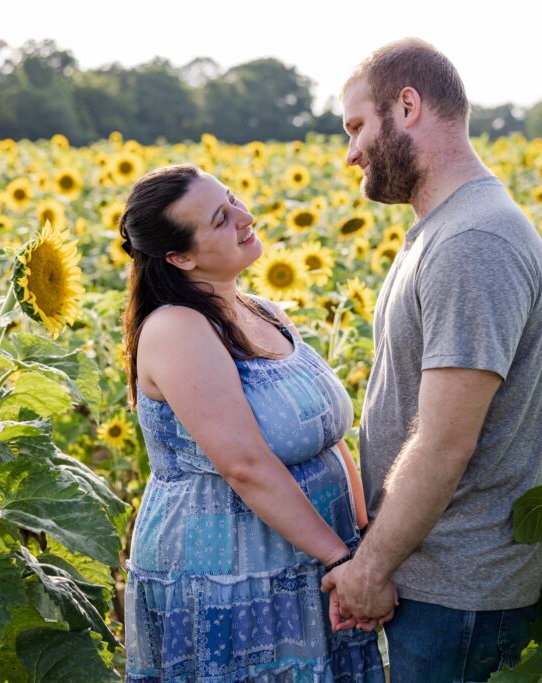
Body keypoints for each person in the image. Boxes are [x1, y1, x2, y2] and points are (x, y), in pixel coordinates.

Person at [320, 39, 542, 682]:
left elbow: (445, 442)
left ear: (407, 107)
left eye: (356, 128)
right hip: (441, 580)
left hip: (459, 591)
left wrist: (369, 570)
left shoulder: (472, 240)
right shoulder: (449, 227)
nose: (349, 153)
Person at [118, 164, 385, 682]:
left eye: (234, 199)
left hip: (310, 551)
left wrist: (361, 538)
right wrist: (339, 560)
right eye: (221, 218)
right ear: (180, 257)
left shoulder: (261, 310)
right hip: (232, 571)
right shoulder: (178, 328)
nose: (246, 216)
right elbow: (244, 464)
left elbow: (326, 436)